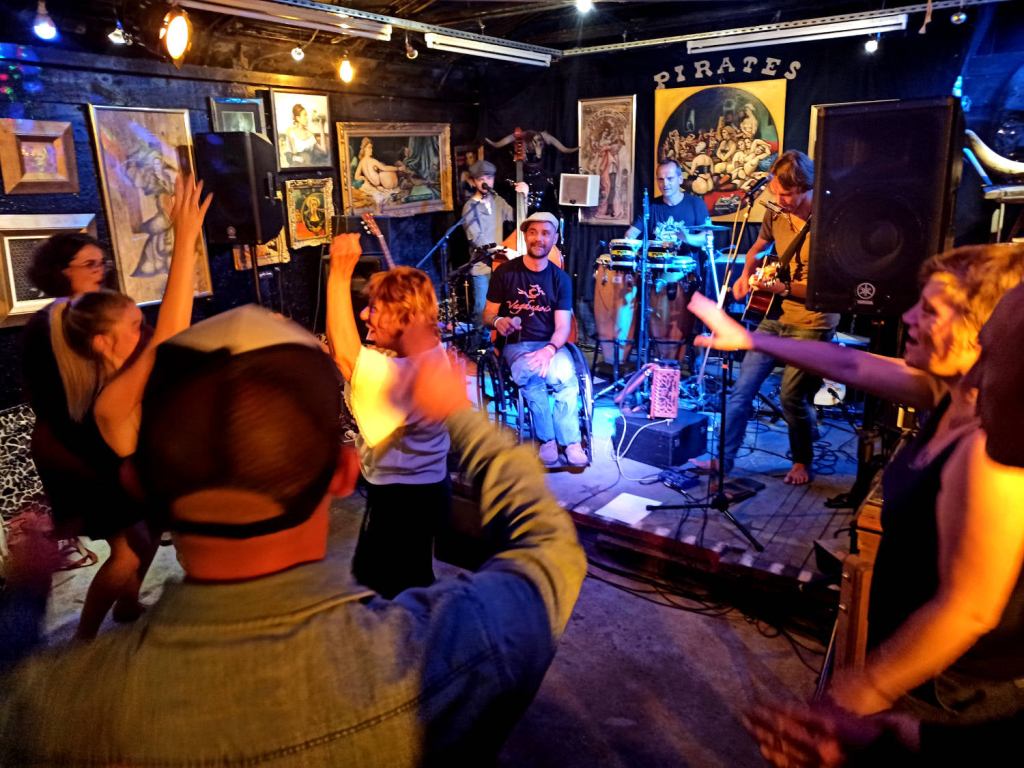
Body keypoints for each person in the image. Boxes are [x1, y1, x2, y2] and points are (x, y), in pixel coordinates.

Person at [0, 305, 587, 767]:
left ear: (140, 482)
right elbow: (553, 549)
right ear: (345, 473)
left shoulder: (52, 709)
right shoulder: (450, 648)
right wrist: (459, 414)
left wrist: (23, 598)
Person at [689, 242, 1024, 720]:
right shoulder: (949, 393)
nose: (908, 317)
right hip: (916, 662)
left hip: (951, 693)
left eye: (930, 310)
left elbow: (967, 609)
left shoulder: (986, 449)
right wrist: (750, 340)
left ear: (984, 331)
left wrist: (855, 698)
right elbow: (849, 364)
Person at [26, 174, 211, 639]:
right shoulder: (99, 386)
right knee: (128, 551)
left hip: (111, 456)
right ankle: (85, 640)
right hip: (85, 458)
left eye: (101, 262)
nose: (100, 269)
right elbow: (169, 334)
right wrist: (185, 237)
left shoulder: (101, 354)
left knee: (142, 540)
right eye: (89, 264)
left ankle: (126, 605)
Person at [691, 150, 838, 486]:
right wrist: (746, 276)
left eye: (787, 194)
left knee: (791, 395)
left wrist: (783, 288)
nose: (780, 200)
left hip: (813, 321)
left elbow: (829, 289)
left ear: (807, 187)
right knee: (741, 391)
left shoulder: (830, 222)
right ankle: (723, 460)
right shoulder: (776, 212)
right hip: (775, 315)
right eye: (776, 193)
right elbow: (758, 248)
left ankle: (801, 460)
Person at [326, 233, 451, 598]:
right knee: (404, 578)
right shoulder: (426, 351)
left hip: (404, 501)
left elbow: (345, 357)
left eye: (375, 309)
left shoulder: (406, 374)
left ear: (405, 318)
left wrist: (339, 272)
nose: (365, 315)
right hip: (419, 492)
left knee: (389, 588)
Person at [483, 211, 586, 467]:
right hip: (516, 346)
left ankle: (571, 442)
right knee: (531, 377)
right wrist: (498, 321)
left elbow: (562, 327)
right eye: (533, 232)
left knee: (566, 378)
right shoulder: (505, 273)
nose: (539, 238)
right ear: (525, 236)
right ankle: (547, 439)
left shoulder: (561, 279)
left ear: (555, 239)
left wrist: (549, 350)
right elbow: (487, 315)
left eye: (545, 233)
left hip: (550, 345)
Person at [624, 158, 708, 364]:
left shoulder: (695, 204)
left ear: (680, 179)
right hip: (657, 273)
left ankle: (690, 357)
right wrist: (630, 243)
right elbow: (631, 234)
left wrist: (687, 238)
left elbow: (707, 237)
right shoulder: (651, 206)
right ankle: (655, 356)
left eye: (670, 178)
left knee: (688, 320)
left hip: (687, 274)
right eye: (660, 179)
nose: (665, 184)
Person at [460, 159, 529, 348]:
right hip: (481, 266)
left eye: (489, 178)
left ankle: (495, 346)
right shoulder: (469, 207)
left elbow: (516, 217)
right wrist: (503, 250)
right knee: (481, 308)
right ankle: (476, 348)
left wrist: (523, 197)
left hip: (501, 265)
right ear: (473, 182)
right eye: (481, 179)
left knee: (502, 307)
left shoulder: (497, 201)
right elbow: (477, 238)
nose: (486, 182)